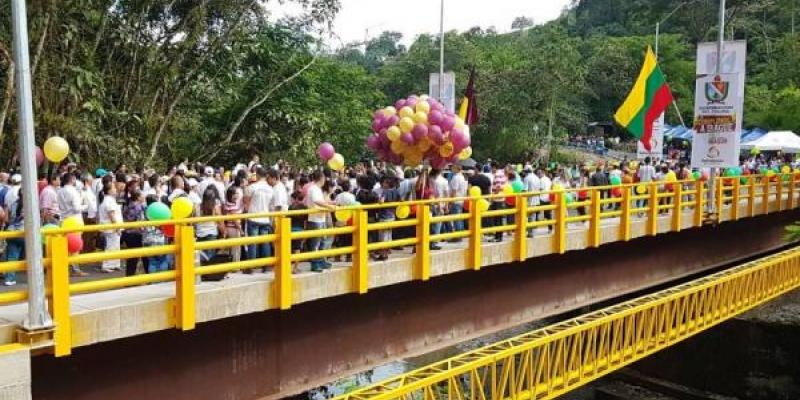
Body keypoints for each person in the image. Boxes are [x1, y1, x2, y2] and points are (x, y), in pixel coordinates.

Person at [305, 170, 335, 272]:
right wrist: (329, 207)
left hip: (320, 218)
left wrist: (332, 203)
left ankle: (321, 260)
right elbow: (317, 201)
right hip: (315, 219)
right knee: (315, 243)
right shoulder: (313, 189)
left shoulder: (317, 189)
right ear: (321, 178)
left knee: (322, 241)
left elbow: (321, 201)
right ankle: (315, 264)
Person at [244, 167, 275, 263]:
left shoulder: (252, 187)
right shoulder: (271, 189)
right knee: (265, 243)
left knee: (253, 243)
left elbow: (246, 201)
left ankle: (252, 266)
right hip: (265, 218)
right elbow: (271, 205)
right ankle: (266, 265)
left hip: (253, 217)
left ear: (257, 175)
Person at [97, 182, 123, 273]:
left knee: (115, 246)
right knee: (111, 246)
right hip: (111, 228)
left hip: (112, 227)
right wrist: (117, 227)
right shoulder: (108, 200)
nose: (115, 189)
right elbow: (111, 215)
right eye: (114, 188)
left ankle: (115, 264)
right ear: (109, 190)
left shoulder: (110, 199)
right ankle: (106, 265)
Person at [2, 191, 24, 285]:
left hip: (11, 232)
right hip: (23, 232)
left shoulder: (13, 203)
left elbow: (6, 219)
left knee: (12, 256)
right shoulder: (31, 204)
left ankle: (9, 278)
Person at [222, 186, 244, 263]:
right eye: (235, 194)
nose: (237, 195)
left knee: (233, 248)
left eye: (237, 193)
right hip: (234, 228)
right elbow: (235, 220)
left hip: (231, 228)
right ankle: (236, 266)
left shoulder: (230, 203)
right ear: (230, 195)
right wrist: (241, 230)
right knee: (236, 248)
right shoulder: (230, 205)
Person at [449, 165, 468, 234]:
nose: (451, 169)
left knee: (457, 219)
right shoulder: (462, 177)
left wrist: (451, 201)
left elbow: (454, 190)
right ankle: (460, 233)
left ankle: (458, 234)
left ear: (456, 169)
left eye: (452, 167)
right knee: (459, 218)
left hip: (456, 200)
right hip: (461, 199)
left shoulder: (456, 178)